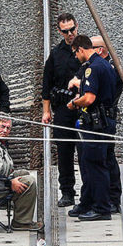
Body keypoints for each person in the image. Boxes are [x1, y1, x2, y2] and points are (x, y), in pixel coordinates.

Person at [66, 35, 118, 221]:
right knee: (89, 161)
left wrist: (74, 103)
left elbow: (89, 98)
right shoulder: (104, 65)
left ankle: (101, 208)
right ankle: (88, 201)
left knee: (96, 164)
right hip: (103, 121)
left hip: (97, 123)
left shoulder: (93, 69)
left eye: (76, 53)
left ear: (81, 49)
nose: (76, 57)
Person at [41, 13, 82, 207]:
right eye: (65, 31)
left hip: (84, 107)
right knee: (64, 151)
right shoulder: (56, 54)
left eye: (72, 29)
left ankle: (89, 192)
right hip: (63, 107)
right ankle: (67, 191)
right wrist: (46, 111)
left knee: (86, 151)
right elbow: (46, 83)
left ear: (77, 26)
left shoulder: (85, 49)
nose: (70, 34)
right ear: (59, 31)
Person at [0, 116, 42, 231]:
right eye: (2, 126)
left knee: (24, 173)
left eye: (8, 128)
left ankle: (19, 210)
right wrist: (10, 182)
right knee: (29, 182)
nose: (5, 130)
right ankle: (21, 222)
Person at [89, 36, 123, 213]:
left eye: (91, 47)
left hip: (105, 118)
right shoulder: (98, 66)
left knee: (107, 158)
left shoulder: (109, 69)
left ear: (100, 50)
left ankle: (113, 198)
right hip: (99, 118)